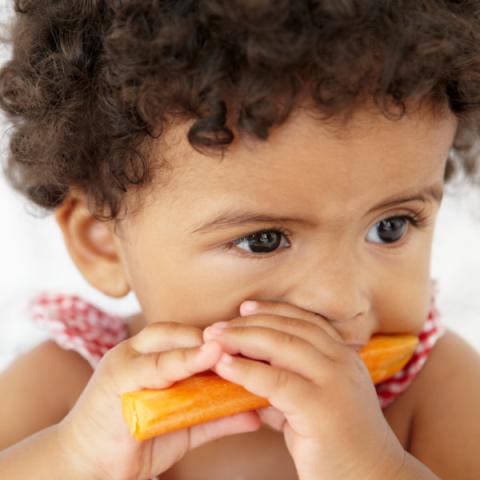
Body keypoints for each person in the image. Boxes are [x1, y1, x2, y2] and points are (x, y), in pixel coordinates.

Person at [0, 1, 479, 479]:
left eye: (390, 227)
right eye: (264, 240)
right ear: (103, 243)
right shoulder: (67, 391)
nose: (341, 301)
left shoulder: (436, 389)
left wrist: (374, 467)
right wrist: (72, 460)